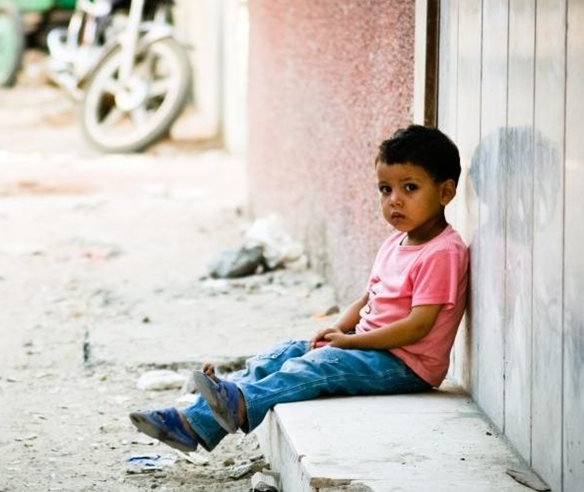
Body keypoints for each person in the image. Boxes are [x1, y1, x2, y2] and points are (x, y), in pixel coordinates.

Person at [129, 124, 470, 453]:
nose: (394, 200)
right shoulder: (396, 241)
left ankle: (230, 407)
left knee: (318, 365)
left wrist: (351, 342)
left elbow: (417, 326)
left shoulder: (443, 252)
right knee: (288, 353)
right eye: (385, 189)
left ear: (445, 192)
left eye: (409, 188)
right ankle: (195, 419)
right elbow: (369, 298)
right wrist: (339, 327)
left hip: (405, 366)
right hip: (372, 350)